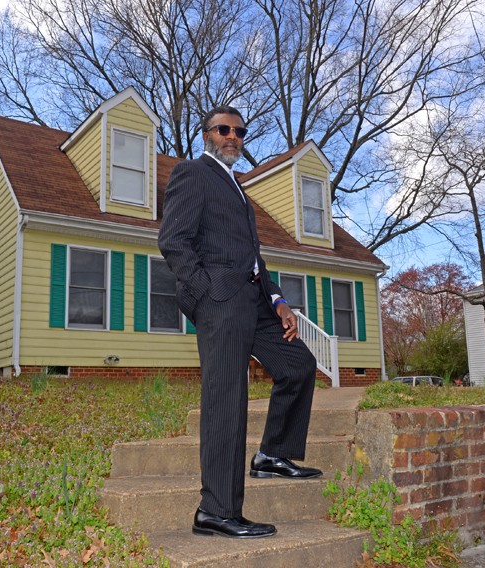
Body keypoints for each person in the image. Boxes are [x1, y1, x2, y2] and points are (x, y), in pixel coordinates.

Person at [158, 105, 321, 539]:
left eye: (239, 132)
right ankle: (216, 510)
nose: (233, 136)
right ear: (206, 135)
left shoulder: (238, 188)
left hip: (255, 300)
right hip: (222, 301)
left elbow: (254, 259)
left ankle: (272, 454)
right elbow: (173, 241)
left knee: (298, 365)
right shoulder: (193, 173)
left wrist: (278, 300)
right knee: (227, 400)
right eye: (223, 129)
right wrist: (207, 292)